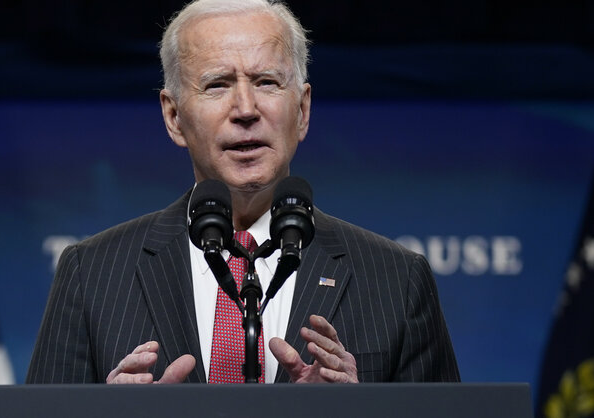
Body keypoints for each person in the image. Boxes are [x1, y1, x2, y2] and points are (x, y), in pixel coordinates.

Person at [26, 0, 459, 385]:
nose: (246, 109)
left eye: (267, 82)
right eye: (217, 85)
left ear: (303, 110)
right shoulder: (92, 274)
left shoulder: (397, 280)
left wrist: (354, 413)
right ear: (173, 116)